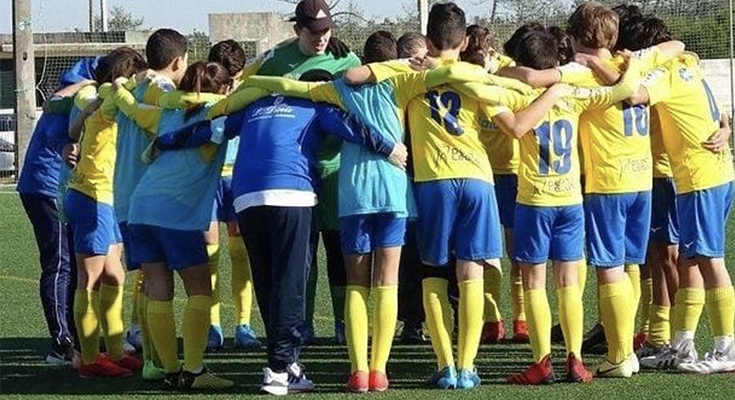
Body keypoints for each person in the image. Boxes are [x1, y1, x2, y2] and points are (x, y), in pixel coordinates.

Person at [493, 26, 641, 385]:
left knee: (534, 283)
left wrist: (510, 74)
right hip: (570, 199)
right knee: (569, 284)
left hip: (534, 201)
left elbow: (514, 125)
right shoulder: (574, 92)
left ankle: (542, 363)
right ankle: (575, 359)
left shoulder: (512, 93)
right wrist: (633, 62)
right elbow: (623, 90)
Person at [238, 0, 362, 344]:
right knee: (300, 256)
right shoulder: (278, 61)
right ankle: (301, 326)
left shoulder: (347, 60)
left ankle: (342, 324)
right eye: (314, 32)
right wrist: (264, 58)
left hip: (336, 167)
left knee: (339, 249)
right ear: (297, 30)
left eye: (327, 31)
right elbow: (242, 87)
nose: (322, 38)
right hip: (294, 171)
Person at [114, 61, 236, 390]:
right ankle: (194, 371)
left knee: (158, 290)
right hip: (175, 211)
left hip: (141, 206)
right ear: (224, 89)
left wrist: (124, 84)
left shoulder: (167, 112)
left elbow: (132, 107)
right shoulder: (218, 115)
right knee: (200, 290)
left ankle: (169, 369)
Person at [629, 17, 735, 374]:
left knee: (709, 261)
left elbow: (634, 94)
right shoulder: (688, 63)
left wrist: (633, 63)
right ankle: (682, 347)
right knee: (691, 260)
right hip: (707, 174)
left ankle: (726, 350)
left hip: (700, 177)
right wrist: (727, 128)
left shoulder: (666, 72)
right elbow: (716, 114)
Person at [63, 47, 147, 378]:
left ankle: (113, 350)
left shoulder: (100, 98)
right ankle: (88, 358)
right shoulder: (105, 96)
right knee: (91, 280)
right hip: (90, 195)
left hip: (107, 197)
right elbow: (86, 105)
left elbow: (74, 127)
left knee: (116, 276)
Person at [113, 29, 189, 381]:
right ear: (178, 61)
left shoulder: (133, 87)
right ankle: (160, 358)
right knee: (157, 280)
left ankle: (150, 360)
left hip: (125, 195)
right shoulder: (163, 91)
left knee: (146, 278)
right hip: (153, 197)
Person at [17, 57, 99, 365]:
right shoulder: (71, 97)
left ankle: (76, 336)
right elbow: (53, 119)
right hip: (46, 188)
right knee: (60, 262)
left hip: (61, 189)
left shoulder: (81, 95)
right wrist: (68, 146)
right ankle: (61, 340)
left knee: (75, 263)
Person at [206, 39, 262, 352]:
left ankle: (244, 325)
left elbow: (266, 60)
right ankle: (213, 326)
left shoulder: (247, 86)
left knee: (241, 253)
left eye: (237, 78)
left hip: (239, 179)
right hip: (209, 181)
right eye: (229, 79)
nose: (233, 85)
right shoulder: (202, 89)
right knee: (209, 254)